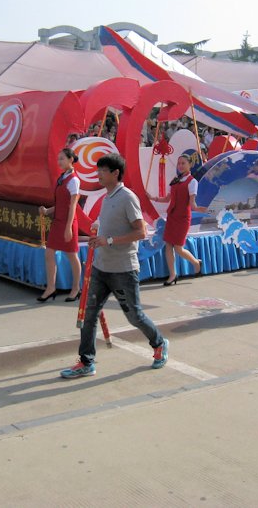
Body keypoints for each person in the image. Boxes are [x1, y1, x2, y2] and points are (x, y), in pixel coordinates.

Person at [60, 153, 168, 379]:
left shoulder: (127, 197)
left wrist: (108, 241)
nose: (98, 174)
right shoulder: (107, 197)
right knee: (89, 315)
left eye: (102, 170)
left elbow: (141, 232)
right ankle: (86, 361)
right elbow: (109, 228)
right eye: (98, 170)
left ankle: (159, 343)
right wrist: (98, 235)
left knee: (134, 316)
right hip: (101, 267)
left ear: (115, 173)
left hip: (123, 270)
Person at [147, 154, 202, 285]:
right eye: (179, 163)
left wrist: (203, 209)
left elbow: (192, 204)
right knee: (168, 246)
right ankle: (172, 275)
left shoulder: (192, 182)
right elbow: (167, 199)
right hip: (172, 217)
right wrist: (152, 198)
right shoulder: (175, 180)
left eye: (183, 163)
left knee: (178, 248)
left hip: (183, 218)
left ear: (189, 165)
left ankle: (196, 263)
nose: (181, 166)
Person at [37, 148, 83, 302]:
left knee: (71, 255)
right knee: (49, 253)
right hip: (58, 222)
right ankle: (51, 288)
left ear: (71, 159)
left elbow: (73, 206)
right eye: (58, 159)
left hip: (68, 222)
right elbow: (62, 204)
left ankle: (76, 288)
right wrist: (48, 210)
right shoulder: (62, 177)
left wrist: (69, 227)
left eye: (62, 158)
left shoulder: (74, 180)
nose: (59, 161)